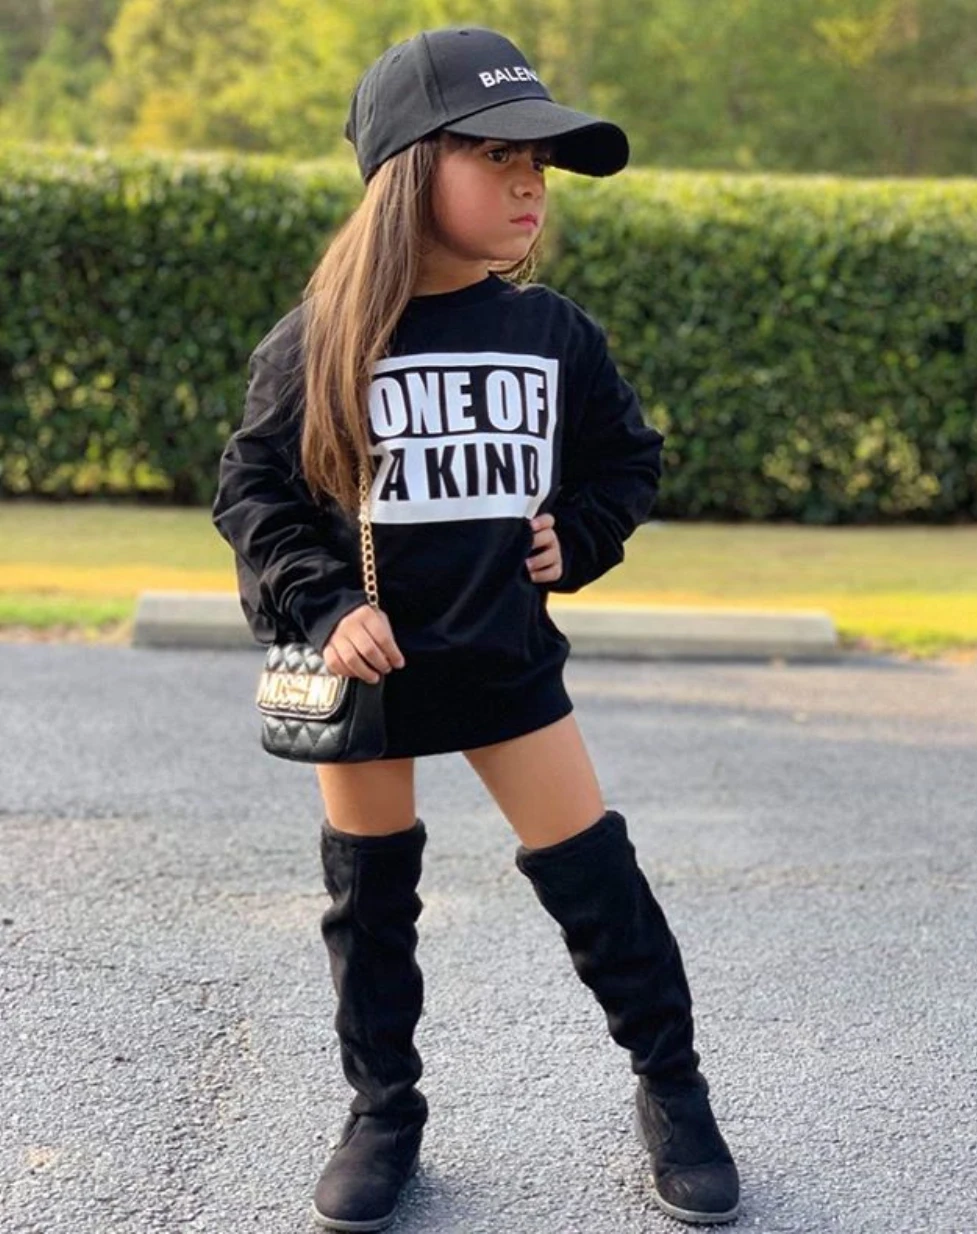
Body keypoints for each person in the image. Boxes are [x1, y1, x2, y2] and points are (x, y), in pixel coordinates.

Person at [211, 24, 740, 1233]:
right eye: (496, 155)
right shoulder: (322, 338)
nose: (526, 184)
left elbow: (626, 458)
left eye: (536, 163)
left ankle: (675, 1092)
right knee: (369, 906)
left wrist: (579, 537)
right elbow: (254, 492)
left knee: (598, 883)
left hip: (504, 661)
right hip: (370, 678)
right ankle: (382, 1113)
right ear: (409, 171)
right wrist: (327, 605)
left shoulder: (552, 334)